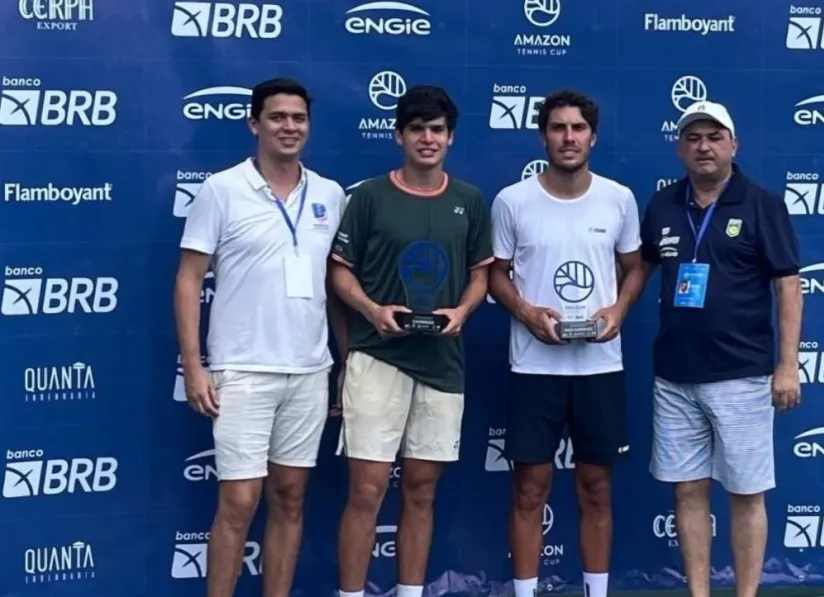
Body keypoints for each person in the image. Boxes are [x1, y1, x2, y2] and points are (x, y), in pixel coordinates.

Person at [173, 78, 348, 597]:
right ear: (255, 123)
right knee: (239, 501)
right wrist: (195, 366)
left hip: (310, 370)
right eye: (277, 117)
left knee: (290, 497)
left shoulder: (330, 194)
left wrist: (345, 363)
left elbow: (334, 287)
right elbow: (188, 280)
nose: (289, 127)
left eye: (298, 118)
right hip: (242, 369)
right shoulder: (221, 189)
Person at [329, 85, 493, 597]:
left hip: (442, 363)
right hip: (377, 358)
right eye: (417, 129)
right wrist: (372, 311)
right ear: (398, 135)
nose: (428, 138)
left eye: (437, 129)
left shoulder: (469, 200)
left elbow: (481, 275)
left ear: (451, 137)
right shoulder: (368, 197)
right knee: (367, 490)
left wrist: (462, 311)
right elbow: (339, 272)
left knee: (421, 490)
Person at [639, 100, 803, 597]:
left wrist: (788, 366)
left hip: (742, 375)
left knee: (746, 493)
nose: (703, 147)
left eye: (714, 137)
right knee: (688, 490)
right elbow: (642, 268)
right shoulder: (662, 205)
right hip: (674, 376)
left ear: (734, 145)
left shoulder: (762, 203)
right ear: (679, 148)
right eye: (693, 138)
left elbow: (788, 285)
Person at [488, 89, 646, 597]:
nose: (569, 137)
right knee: (529, 489)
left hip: (599, 367)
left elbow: (635, 268)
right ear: (543, 137)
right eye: (558, 128)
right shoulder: (513, 201)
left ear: (593, 137)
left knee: (596, 488)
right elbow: (495, 275)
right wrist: (526, 312)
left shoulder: (618, 198)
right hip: (534, 369)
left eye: (578, 128)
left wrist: (618, 311)